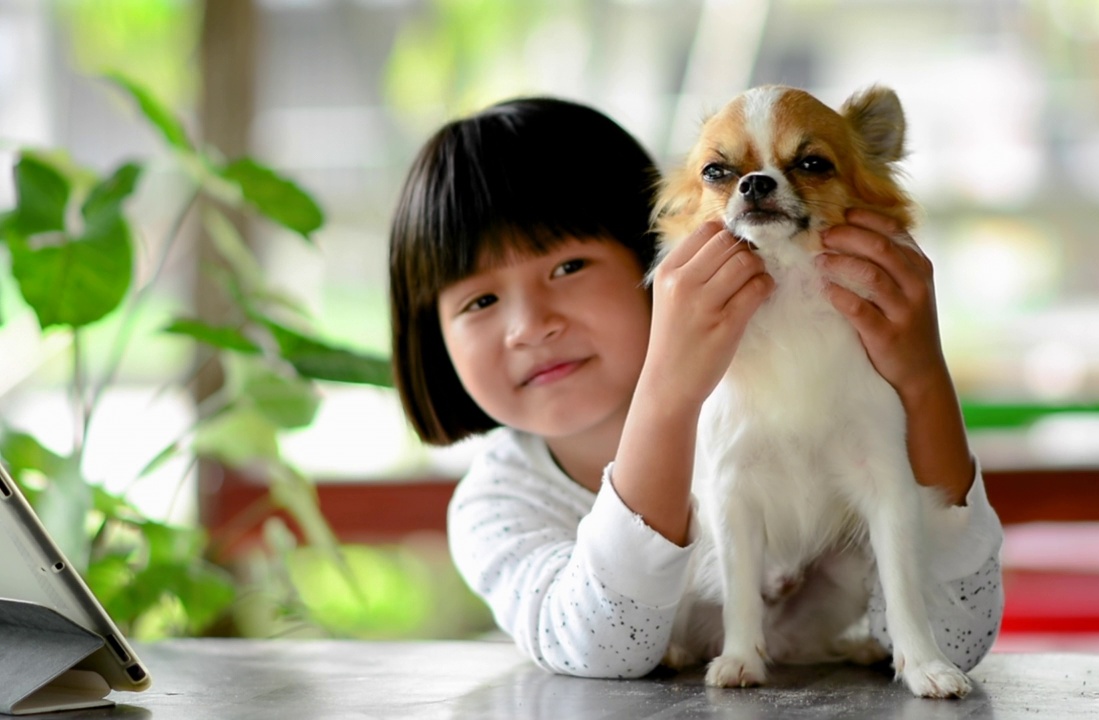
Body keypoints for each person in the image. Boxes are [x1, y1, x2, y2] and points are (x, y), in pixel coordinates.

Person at [388, 96, 1004, 679]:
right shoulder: (497, 502)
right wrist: (667, 394)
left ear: (665, 251)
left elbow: (953, 640)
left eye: (568, 267)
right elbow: (599, 645)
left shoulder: (802, 402)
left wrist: (921, 378)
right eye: (480, 300)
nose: (531, 327)